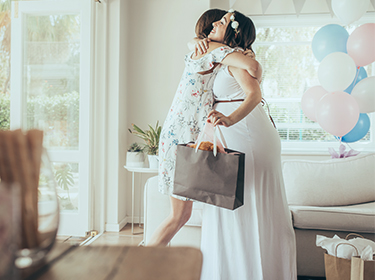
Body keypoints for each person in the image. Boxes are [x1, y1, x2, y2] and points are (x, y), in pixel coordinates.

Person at [147, 9, 262, 247]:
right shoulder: (209, 49)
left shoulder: (218, 56)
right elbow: (254, 68)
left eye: (223, 23)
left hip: (188, 137)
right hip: (180, 138)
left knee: (182, 215)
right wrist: (242, 52)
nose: (217, 26)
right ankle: (141, 265)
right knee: (178, 215)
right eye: (217, 22)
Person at [199, 10, 297, 280]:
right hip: (241, 133)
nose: (212, 29)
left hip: (246, 133)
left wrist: (229, 119)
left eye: (220, 24)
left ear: (231, 32)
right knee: (235, 206)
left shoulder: (238, 61)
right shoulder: (226, 57)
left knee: (243, 206)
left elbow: (254, 94)